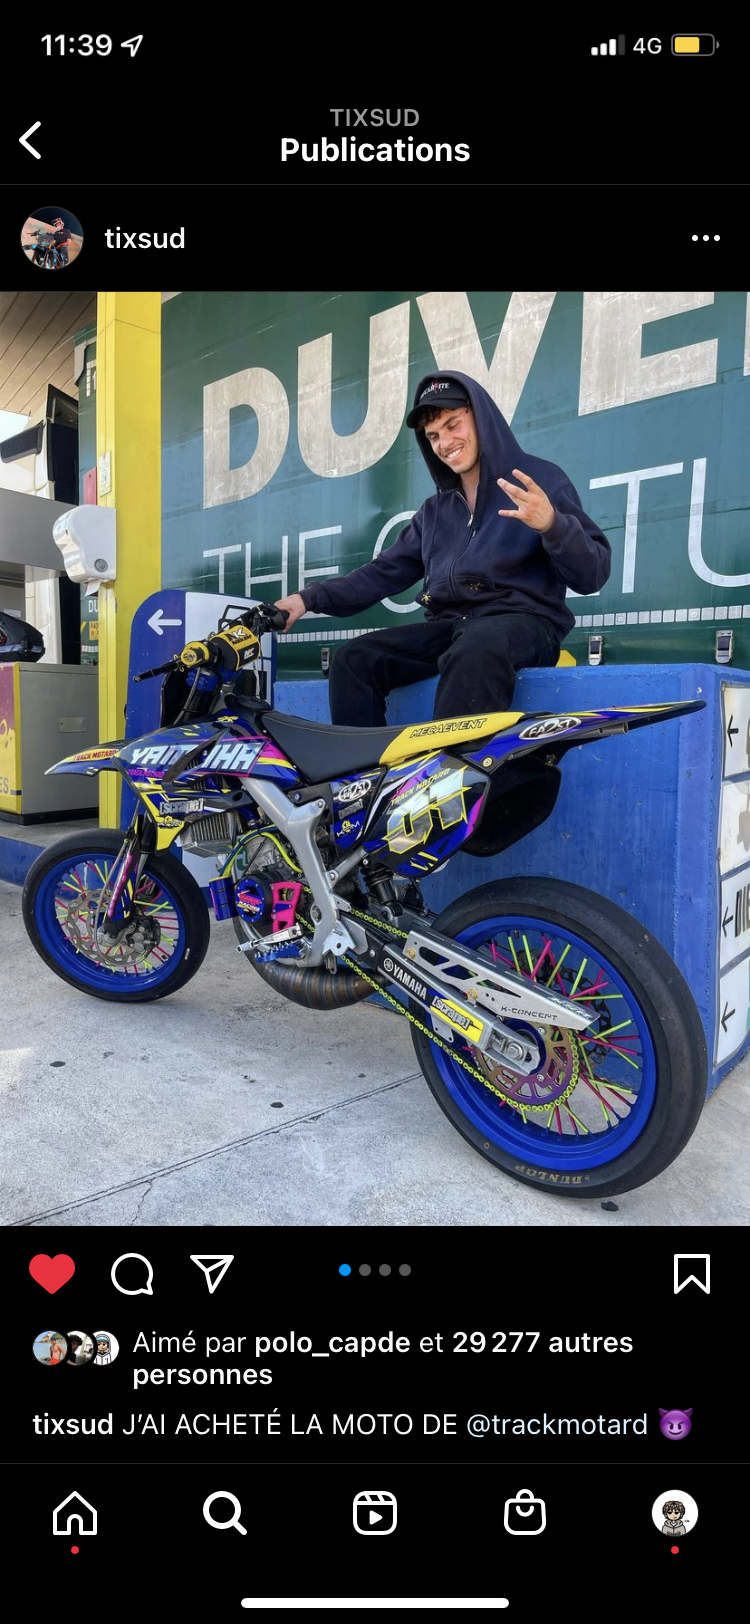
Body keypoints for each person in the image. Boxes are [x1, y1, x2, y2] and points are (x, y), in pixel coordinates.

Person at [275, 371, 611, 728]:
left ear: (480, 419)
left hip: (526, 625)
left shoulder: (539, 480)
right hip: (451, 628)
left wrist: (552, 525)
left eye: (453, 425)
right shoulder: (435, 511)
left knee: (476, 648)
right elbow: (382, 573)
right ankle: (369, 765)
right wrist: (307, 599)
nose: (445, 442)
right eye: (433, 435)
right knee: (354, 660)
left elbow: (592, 574)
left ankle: (452, 765)